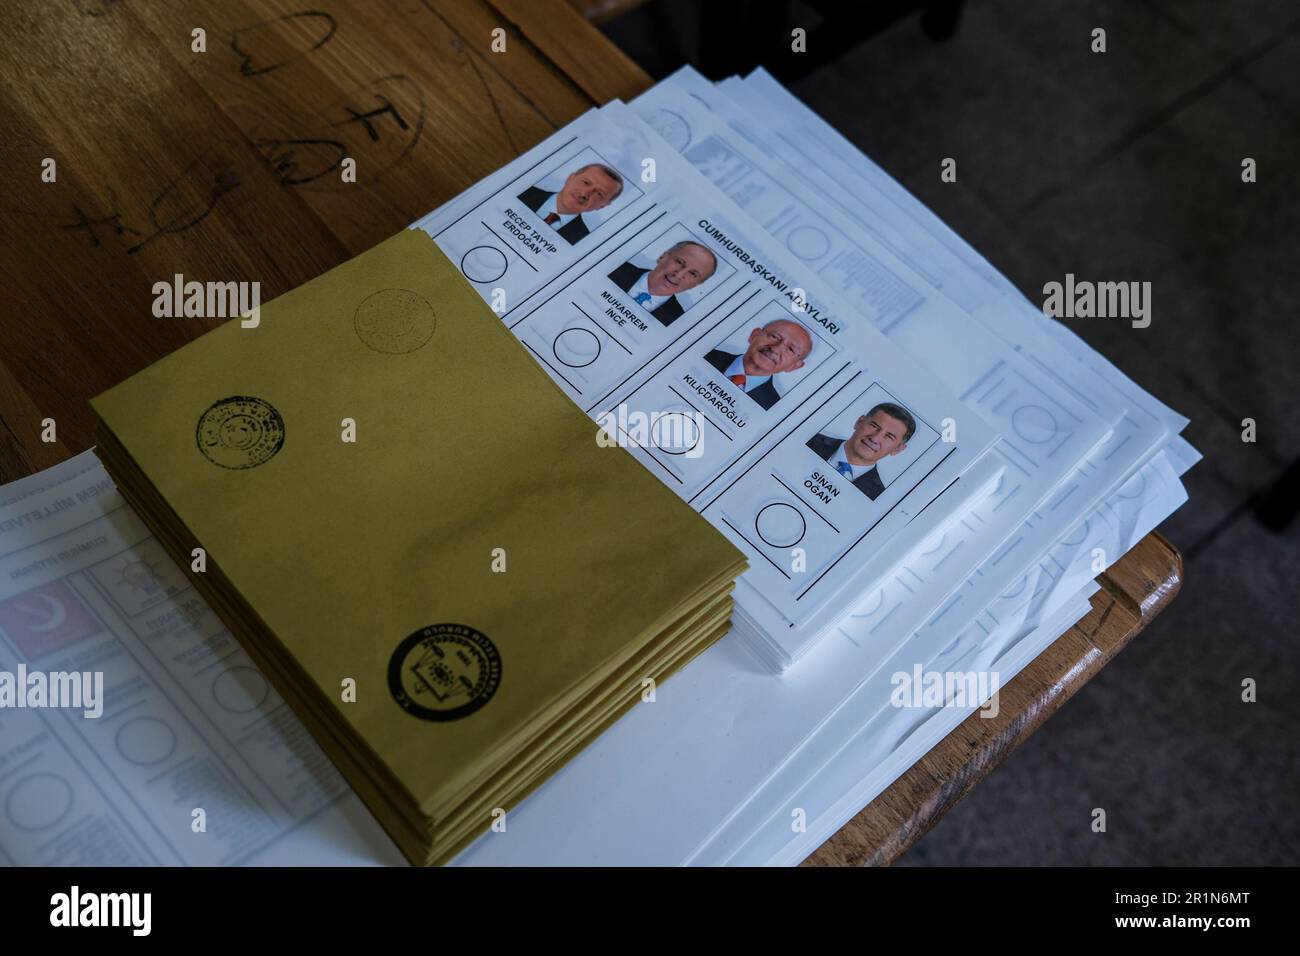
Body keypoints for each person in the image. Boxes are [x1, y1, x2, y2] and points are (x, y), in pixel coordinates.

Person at [806, 403, 916, 500]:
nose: (874, 438)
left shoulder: (877, 498)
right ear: (859, 422)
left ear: (897, 449)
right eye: (874, 426)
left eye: (889, 437)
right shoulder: (807, 439)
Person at [704, 319, 813, 410]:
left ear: (794, 366)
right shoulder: (704, 354)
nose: (775, 348)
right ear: (754, 335)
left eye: (790, 349)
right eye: (774, 337)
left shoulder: (772, 409)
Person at [608, 241, 718, 325]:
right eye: (679, 262)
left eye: (693, 274)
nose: (678, 274)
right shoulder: (612, 267)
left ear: (696, 284)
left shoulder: (676, 322)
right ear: (663, 256)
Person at [517, 163, 624, 244]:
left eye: (599, 193)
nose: (584, 193)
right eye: (586, 183)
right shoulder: (522, 192)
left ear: (603, 205)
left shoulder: (582, 241)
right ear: (570, 178)